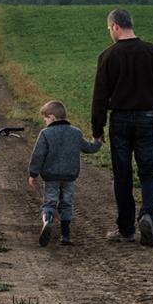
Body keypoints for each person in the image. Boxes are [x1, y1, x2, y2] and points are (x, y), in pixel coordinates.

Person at [91, 9, 153, 247]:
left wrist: (98, 128)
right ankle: (147, 214)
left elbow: (99, 97)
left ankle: (126, 228)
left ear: (115, 26)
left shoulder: (107, 56)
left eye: (109, 29)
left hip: (120, 121)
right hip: (148, 118)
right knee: (148, 172)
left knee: (122, 175)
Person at [28, 101, 101, 246]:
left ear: (52, 117)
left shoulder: (46, 133)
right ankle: (66, 236)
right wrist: (97, 140)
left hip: (51, 176)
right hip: (69, 175)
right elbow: (89, 148)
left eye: (46, 119)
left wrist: (33, 173)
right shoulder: (76, 132)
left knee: (50, 201)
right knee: (66, 203)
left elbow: (38, 155)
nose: (46, 122)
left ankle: (47, 221)